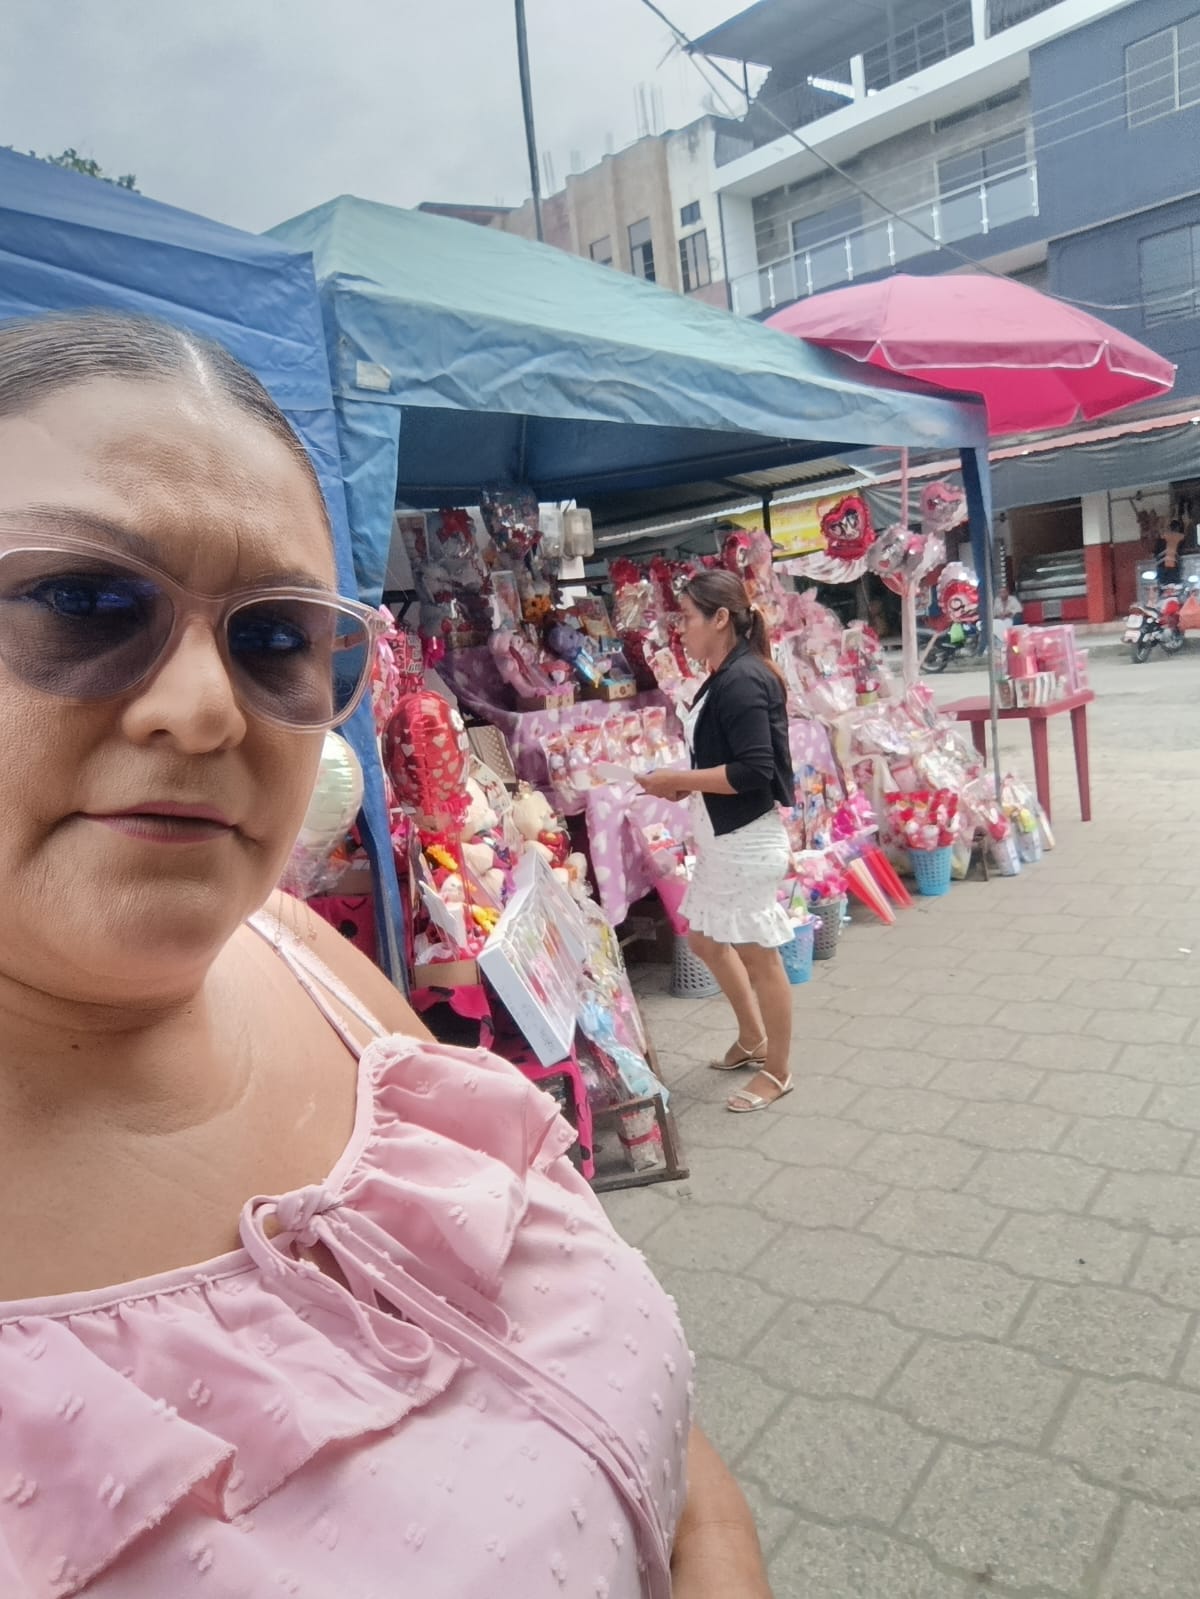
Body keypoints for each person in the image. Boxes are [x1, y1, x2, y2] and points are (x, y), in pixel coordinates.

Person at [0, 311, 772, 1599]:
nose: (204, 709)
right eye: (81, 603)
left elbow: (671, 1460)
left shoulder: (309, 968)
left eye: (275, 638)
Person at [639, 572, 794, 1114]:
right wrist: (684, 784)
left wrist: (679, 780)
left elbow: (754, 770)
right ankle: (752, 1037)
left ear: (720, 618)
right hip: (723, 838)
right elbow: (724, 761)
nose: (681, 630)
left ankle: (778, 1071)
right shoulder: (724, 675)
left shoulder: (743, 679)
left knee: (759, 957)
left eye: (687, 617)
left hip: (747, 843)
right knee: (705, 939)